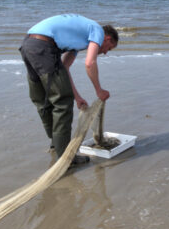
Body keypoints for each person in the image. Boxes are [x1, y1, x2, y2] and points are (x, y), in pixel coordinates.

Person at [19, 14, 119, 166]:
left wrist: (77, 97)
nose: (105, 52)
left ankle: (56, 145)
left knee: (43, 100)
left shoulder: (77, 42)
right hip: (44, 48)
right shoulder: (97, 30)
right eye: (109, 49)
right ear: (107, 38)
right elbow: (90, 63)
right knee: (62, 105)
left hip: (28, 45)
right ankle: (66, 157)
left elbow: (63, 69)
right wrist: (99, 90)